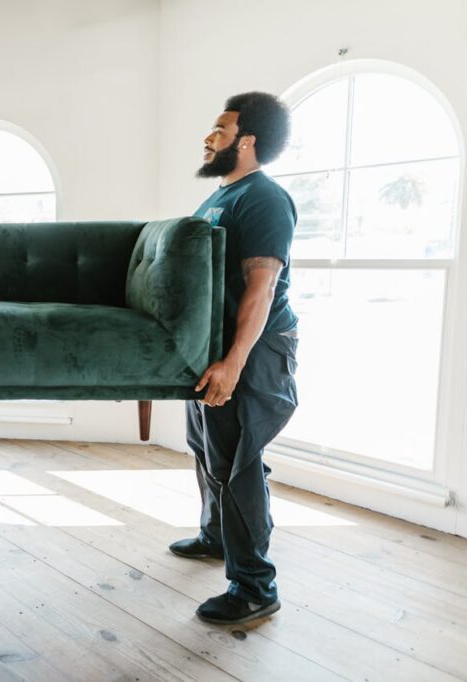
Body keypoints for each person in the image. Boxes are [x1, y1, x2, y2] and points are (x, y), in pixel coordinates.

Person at [169, 92, 299, 625]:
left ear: (247, 140)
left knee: (238, 460)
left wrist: (233, 363)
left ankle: (254, 587)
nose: (208, 136)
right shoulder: (222, 196)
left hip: (253, 348)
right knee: (206, 449)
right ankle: (216, 536)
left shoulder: (263, 198)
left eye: (219, 129)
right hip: (214, 345)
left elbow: (261, 288)